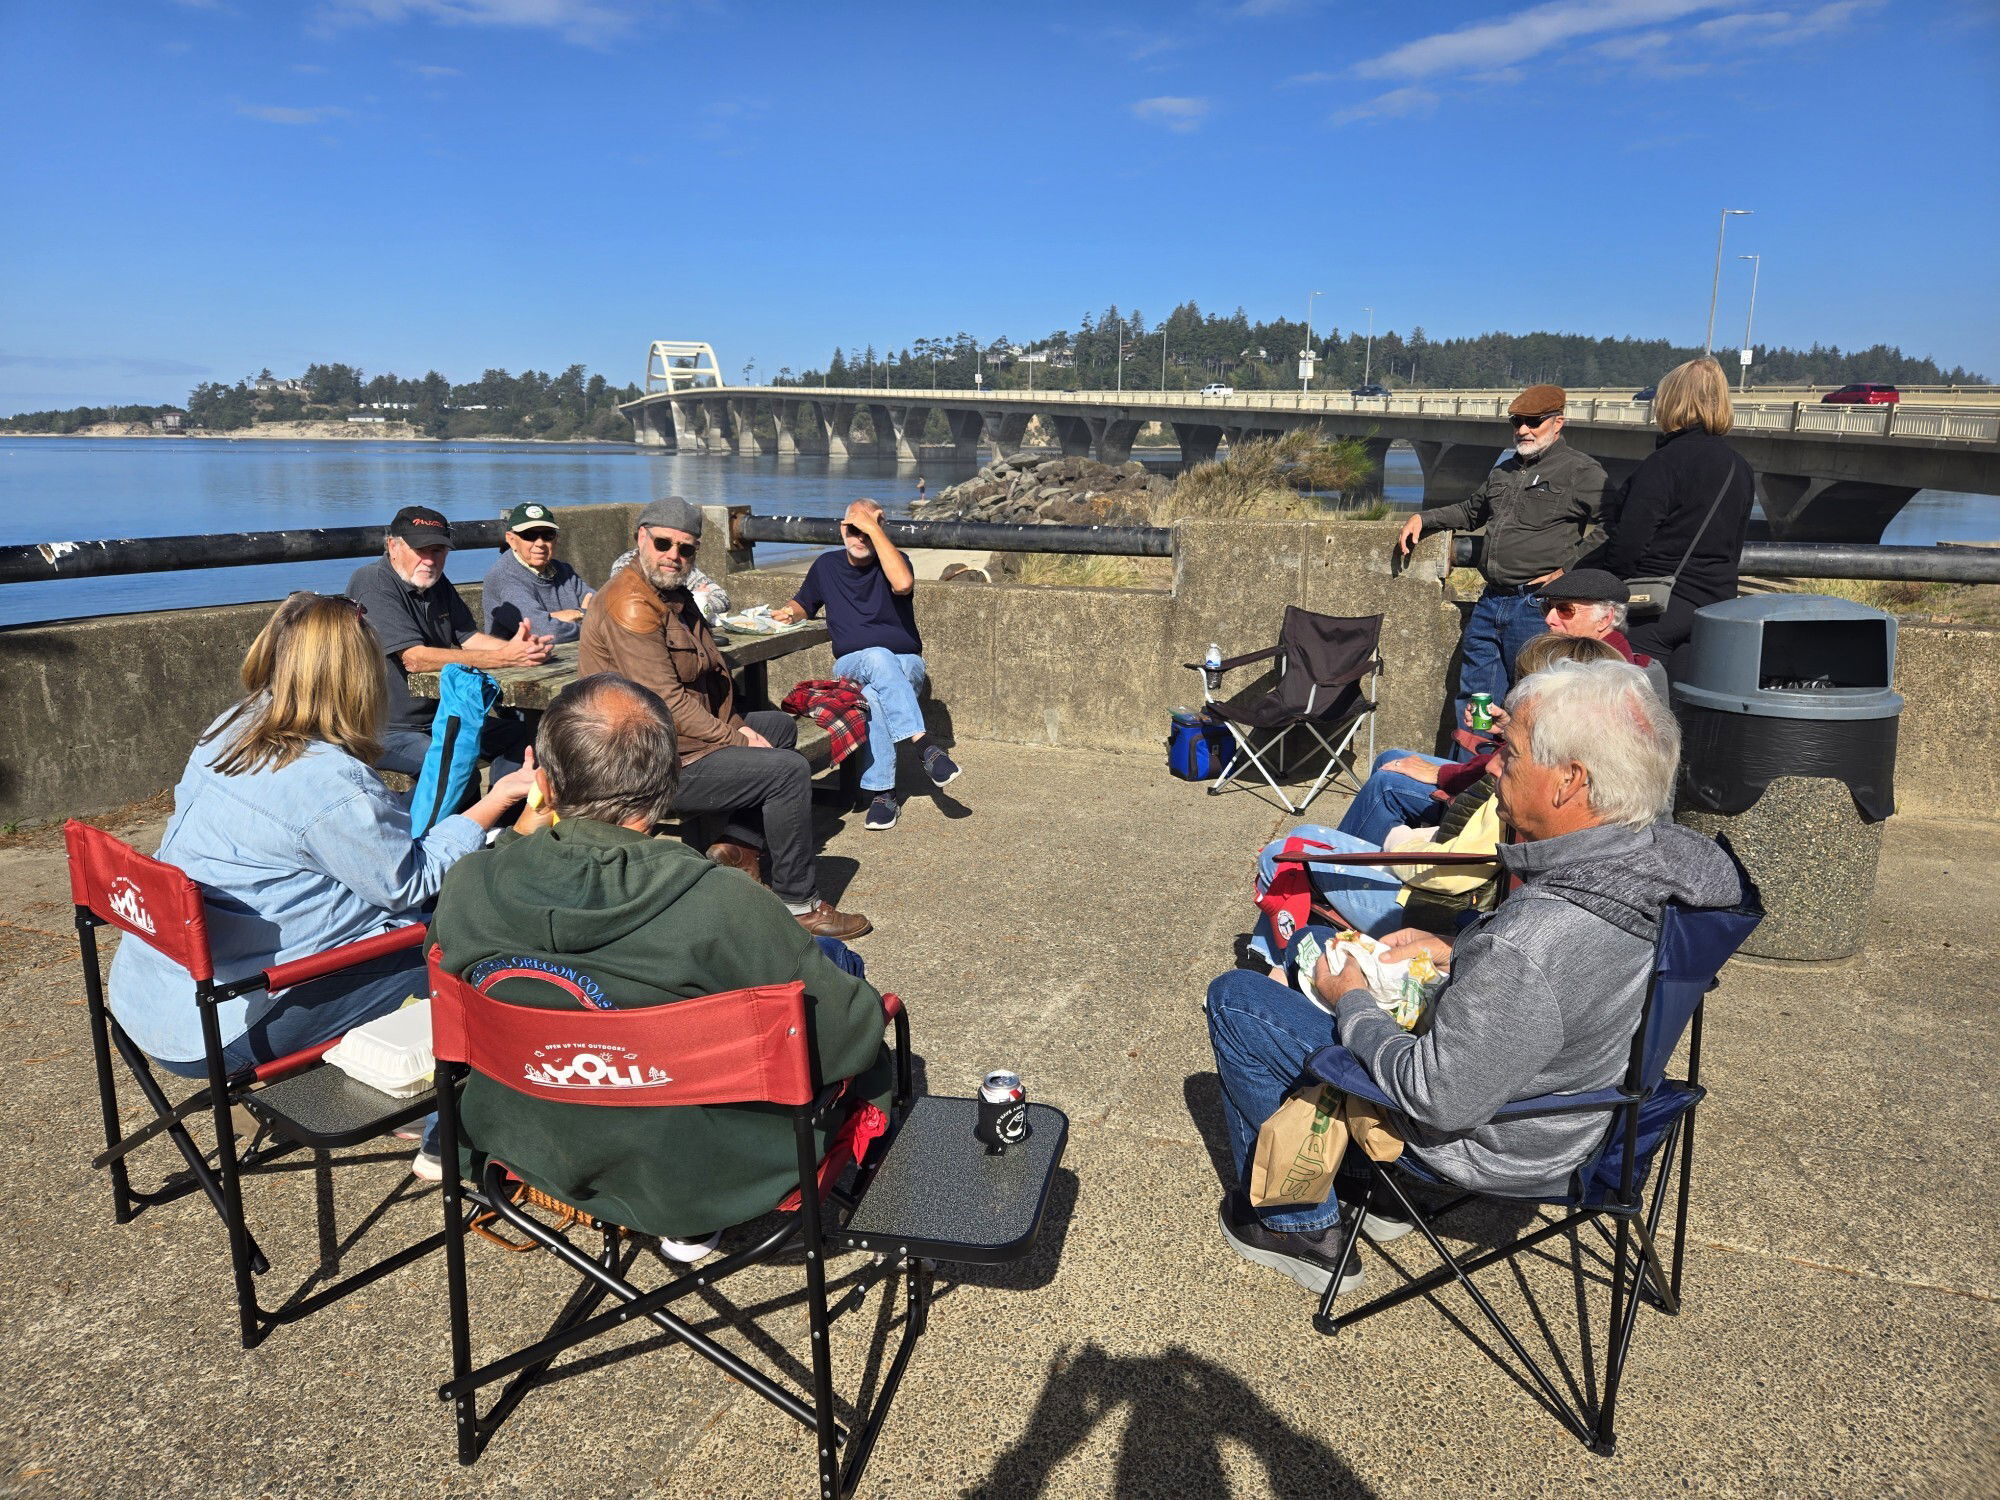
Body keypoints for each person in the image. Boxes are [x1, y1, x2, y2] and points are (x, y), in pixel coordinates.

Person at [1204, 659, 1742, 1296]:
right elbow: (1570, 976)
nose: (1490, 766)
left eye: (1509, 754)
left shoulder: (1535, 942)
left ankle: (1296, 1222)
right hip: (1601, 1106)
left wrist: (1349, 1002)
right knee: (1323, 941)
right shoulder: (1670, 865)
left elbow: (1438, 1097)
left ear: (1570, 782)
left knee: (1239, 1000)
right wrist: (1458, 946)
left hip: (1492, 1144)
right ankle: (1371, 1189)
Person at [430, 672, 895, 1249]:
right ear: (670, 781)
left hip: (523, 1138)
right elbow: (847, 1040)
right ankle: (689, 1219)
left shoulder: (471, 883)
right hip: (699, 1177)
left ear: (543, 784)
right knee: (841, 972)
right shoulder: (720, 902)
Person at [106, 593, 537, 1172]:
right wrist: (496, 803)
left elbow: (345, 837)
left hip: (151, 995)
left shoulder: (232, 727)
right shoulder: (329, 784)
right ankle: (449, 1133)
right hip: (222, 1027)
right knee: (464, 940)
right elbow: (411, 884)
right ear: (358, 677)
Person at [578, 497, 871, 939]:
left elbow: (711, 677)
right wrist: (734, 739)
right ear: (640, 538)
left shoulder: (670, 594)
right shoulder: (632, 604)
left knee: (779, 725)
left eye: (687, 548)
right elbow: (666, 703)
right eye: (663, 543)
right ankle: (798, 904)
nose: (674, 555)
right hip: (644, 762)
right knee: (787, 771)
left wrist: (738, 727)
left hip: (674, 742)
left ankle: (741, 845)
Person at [1395, 384, 1610, 732]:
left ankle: (1517, 781)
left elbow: (1611, 527)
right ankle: (1470, 779)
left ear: (1558, 423)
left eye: (1533, 421)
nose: (1522, 429)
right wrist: (1424, 518)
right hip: (1490, 603)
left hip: (1537, 609)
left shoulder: (1581, 472)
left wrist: (1568, 573)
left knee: (1532, 705)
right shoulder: (1504, 470)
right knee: (1476, 702)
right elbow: (1470, 512)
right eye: (1516, 421)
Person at [770, 498, 959, 832]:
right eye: (852, 529)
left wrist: (872, 527)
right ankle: (924, 745)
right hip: (853, 663)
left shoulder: (895, 561)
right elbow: (803, 604)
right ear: (842, 528)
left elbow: (902, 584)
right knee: (877, 656)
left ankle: (883, 792)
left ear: (879, 528)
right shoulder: (826, 566)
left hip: (906, 665)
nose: (858, 537)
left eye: (866, 530)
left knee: (875, 696)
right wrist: (788, 613)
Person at [1337, 633, 1624, 846]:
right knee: (1391, 758)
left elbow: (1491, 772)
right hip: (1482, 803)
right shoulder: (1600, 701)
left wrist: (1440, 776)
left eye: (1564, 609)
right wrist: (1508, 729)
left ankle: (1330, 874)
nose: (1549, 618)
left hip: (1473, 827)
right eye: (1547, 607)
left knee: (1385, 786)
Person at [1575, 356, 1755, 666]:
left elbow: (1629, 544)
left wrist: (1605, 592)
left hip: (1656, 610)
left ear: (1670, 402)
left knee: (1628, 702)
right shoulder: (1740, 467)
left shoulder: (1664, 464)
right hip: (1713, 608)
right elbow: (1733, 546)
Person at [347, 505, 550, 777]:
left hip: (440, 717)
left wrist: (521, 649)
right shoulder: (373, 582)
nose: (430, 560)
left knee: (527, 738)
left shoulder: (435, 582)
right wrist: (505, 657)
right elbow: (415, 659)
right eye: (421, 550)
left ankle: (501, 815)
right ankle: (420, 820)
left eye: (438, 550)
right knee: (456, 770)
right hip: (385, 730)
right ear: (393, 546)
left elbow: (470, 637)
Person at [482, 502, 594, 644]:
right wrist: (584, 615)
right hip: (521, 663)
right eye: (529, 535)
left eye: (548, 534)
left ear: (556, 539)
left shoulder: (565, 571)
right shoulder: (503, 577)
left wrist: (572, 615)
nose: (540, 543)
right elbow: (547, 631)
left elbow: (603, 607)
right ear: (511, 539)